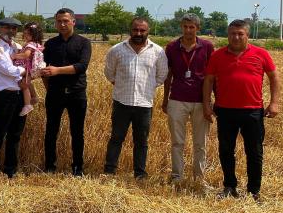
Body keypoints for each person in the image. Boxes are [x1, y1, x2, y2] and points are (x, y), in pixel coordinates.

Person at [203, 19, 280, 201]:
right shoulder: (217, 55)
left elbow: (274, 78)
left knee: (254, 151)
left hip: (252, 111)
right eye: (232, 33)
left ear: (247, 35)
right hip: (225, 110)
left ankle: (254, 190)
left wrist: (275, 102)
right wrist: (207, 104)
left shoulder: (261, 54)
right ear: (228, 35)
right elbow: (208, 80)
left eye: (240, 34)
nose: (236, 37)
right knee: (226, 150)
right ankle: (230, 186)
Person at [103, 17, 168, 179]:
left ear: (148, 31)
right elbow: (109, 72)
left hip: (144, 104)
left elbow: (162, 76)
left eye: (142, 30)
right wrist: (120, 85)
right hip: (121, 102)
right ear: (130, 30)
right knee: (116, 138)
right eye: (135, 30)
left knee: (141, 142)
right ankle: (109, 171)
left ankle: (140, 174)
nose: (138, 33)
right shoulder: (117, 50)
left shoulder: (158, 52)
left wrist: (147, 88)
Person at [162, 13, 214, 185]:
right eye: (185, 26)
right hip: (177, 99)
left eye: (192, 27)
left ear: (198, 28)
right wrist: (165, 100)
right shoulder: (171, 47)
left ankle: (199, 178)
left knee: (201, 143)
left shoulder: (207, 47)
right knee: (177, 142)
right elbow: (167, 75)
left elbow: (212, 76)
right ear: (181, 27)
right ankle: (177, 176)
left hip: (201, 101)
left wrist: (212, 102)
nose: (188, 30)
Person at [41, 8, 92, 176]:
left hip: (76, 93)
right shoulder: (50, 44)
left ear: (73, 22)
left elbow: (81, 66)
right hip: (55, 93)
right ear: (55, 23)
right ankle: (49, 167)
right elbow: (43, 67)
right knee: (51, 131)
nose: (62, 24)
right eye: (59, 21)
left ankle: (78, 168)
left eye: (66, 21)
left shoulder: (84, 43)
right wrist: (48, 86)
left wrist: (57, 71)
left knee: (77, 132)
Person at [0, 17, 29, 177]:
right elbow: (9, 69)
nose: (11, 31)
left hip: (19, 95)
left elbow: (31, 60)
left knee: (15, 134)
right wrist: (30, 72)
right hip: (4, 96)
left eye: (14, 28)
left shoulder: (16, 47)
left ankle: (10, 169)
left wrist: (33, 68)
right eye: (7, 27)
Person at [16, 22, 46, 116]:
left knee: (24, 85)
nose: (25, 36)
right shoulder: (36, 44)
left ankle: (27, 104)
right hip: (32, 68)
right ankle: (34, 97)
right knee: (28, 83)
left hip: (28, 68)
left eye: (28, 34)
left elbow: (26, 55)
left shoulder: (30, 44)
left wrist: (14, 56)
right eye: (25, 34)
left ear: (34, 35)